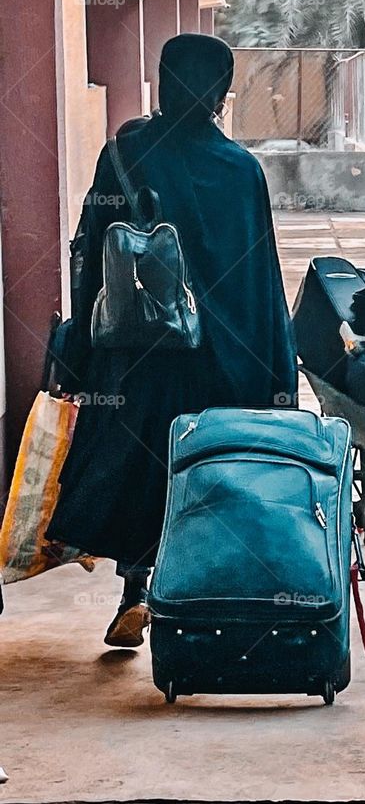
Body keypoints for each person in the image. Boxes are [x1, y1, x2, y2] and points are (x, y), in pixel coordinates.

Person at [48, 34, 297, 647]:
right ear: (220, 92)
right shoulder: (242, 170)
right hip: (225, 360)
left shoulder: (126, 154)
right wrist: (277, 373)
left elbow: (92, 260)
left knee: (140, 469)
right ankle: (194, 603)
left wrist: (78, 350)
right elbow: (262, 276)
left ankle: (136, 588)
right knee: (207, 475)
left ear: (161, 81)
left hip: (138, 352)